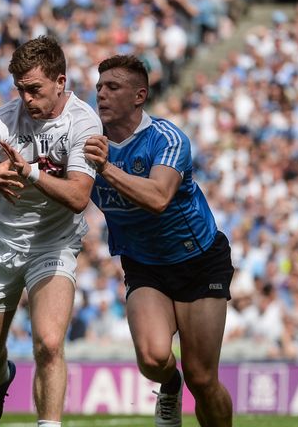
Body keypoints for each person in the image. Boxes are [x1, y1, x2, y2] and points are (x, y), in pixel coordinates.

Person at [0, 35, 102, 427]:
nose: (27, 99)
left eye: (35, 89)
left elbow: (79, 196)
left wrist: (27, 171)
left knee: (48, 343)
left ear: (60, 82)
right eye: (21, 90)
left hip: (54, 242)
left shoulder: (84, 122)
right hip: (1, 241)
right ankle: (0, 377)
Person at [84, 55, 235, 426]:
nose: (101, 93)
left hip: (197, 260)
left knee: (203, 378)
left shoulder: (166, 138)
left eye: (112, 87)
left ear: (140, 96)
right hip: (144, 263)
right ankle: (170, 385)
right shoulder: (84, 140)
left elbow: (157, 198)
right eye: (99, 86)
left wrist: (106, 168)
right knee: (153, 359)